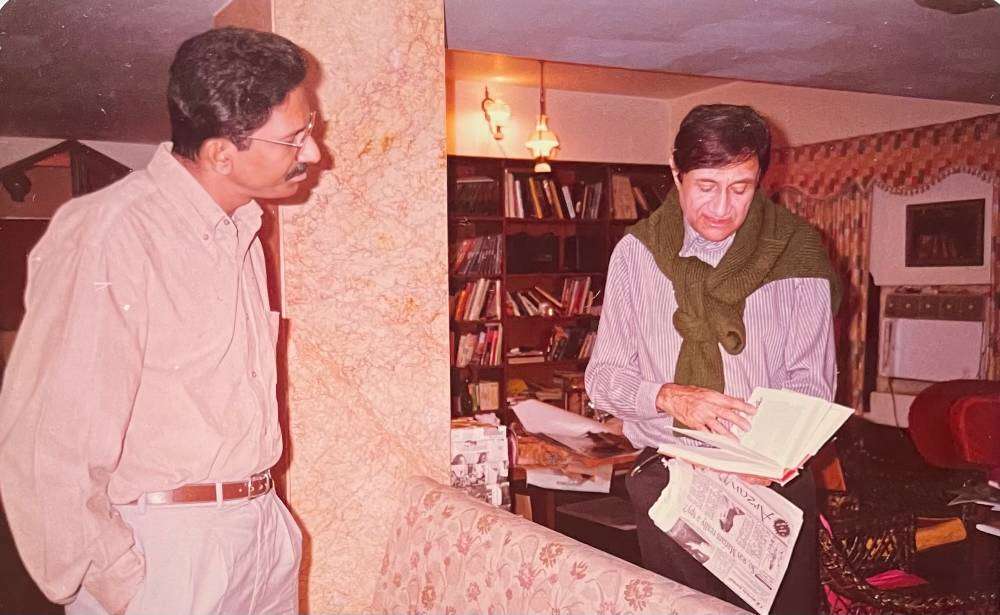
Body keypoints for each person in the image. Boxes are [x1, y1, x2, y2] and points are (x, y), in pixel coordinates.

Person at [0, 27, 320, 615]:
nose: (313, 153)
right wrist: (119, 580)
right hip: (168, 551)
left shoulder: (244, 233)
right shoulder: (112, 232)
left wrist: (271, 535)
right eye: (295, 138)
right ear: (221, 153)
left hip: (260, 533)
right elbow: (48, 438)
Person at [585, 104, 840, 614]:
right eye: (706, 185)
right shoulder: (636, 255)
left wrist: (775, 456)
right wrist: (667, 396)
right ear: (675, 172)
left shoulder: (798, 252)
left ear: (760, 179)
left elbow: (812, 382)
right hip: (671, 481)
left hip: (769, 484)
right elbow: (602, 378)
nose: (722, 207)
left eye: (740, 188)